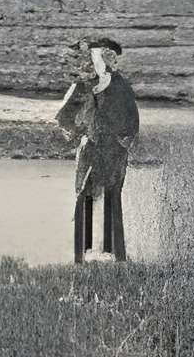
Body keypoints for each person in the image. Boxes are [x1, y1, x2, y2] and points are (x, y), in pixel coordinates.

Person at [55, 34, 141, 264]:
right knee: (85, 198)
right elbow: (64, 117)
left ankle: (116, 254)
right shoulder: (84, 86)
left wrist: (121, 145)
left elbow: (132, 121)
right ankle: (81, 255)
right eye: (95, 57)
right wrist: (78, 131)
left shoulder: (121, 86)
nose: (98, 62)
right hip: (91, 149)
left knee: (113, 199)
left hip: (113, 151)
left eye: (102, 57)